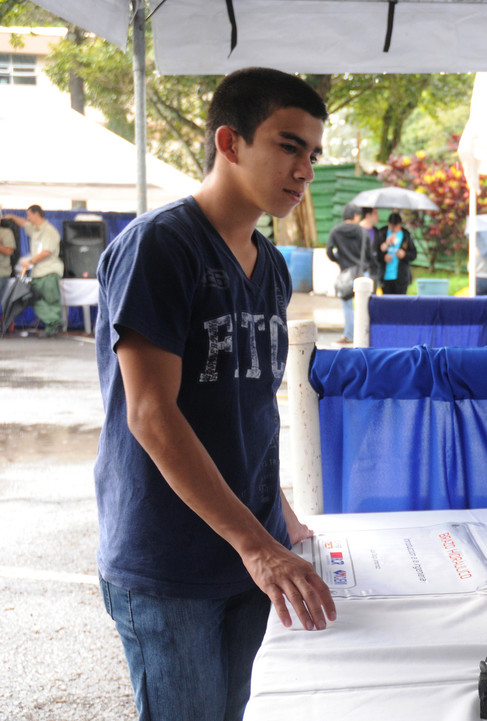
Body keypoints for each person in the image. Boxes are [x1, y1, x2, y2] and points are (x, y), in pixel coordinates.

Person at [93, 67, 337, 721]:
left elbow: (249, 407)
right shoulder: (160, 246)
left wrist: (278, 516)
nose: (304, 169)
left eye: (313, 153)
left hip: (249, 549)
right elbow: (150, 413)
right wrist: (259, 544)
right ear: (230, 142)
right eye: (288, 145)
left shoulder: (273, 264)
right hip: (170, 560)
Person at [3, 205, 64, 336]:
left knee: (50, 299)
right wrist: (12, 217)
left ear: (37, 214)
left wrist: (30, 262)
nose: (27, 217)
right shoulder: (35, 230)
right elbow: (24, 224)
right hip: (38, 272)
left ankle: (53, 326)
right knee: (32, 297)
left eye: (29, 214)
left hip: (49, 271)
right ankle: (53, 322)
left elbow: (46, 252)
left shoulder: (49, 231)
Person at [325, 201, 378, 344]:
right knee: (364, 306)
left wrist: (340, 261)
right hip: (362, 273)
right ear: (355, 216)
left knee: (347, 304)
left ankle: (349, 334)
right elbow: (369, 254)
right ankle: (365, 334)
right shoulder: (362, 232)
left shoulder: (335, 231)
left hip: (346, 274)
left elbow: (329, 251)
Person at [376, 211, 417, 294]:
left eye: (395, 227)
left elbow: (413, 254)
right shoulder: (382, 233)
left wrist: (404, 255)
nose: (393, 229)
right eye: (391, 226)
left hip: (401, 277)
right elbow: (376, 252)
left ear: (400, 225)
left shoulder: (406, 236)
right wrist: (384, 257)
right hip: (385, 276)